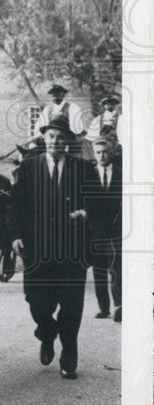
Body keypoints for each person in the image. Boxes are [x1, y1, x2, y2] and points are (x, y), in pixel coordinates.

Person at [7, 114, 100, 380]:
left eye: (60, 137)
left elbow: (98, 205)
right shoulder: (28, 167)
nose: (55, 141)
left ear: (68, 142)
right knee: (37, 302)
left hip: (73, 251)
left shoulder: (82, 168)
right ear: (44, 138)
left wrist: (85, 212)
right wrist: (15, 237)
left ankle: (69, 354)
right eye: (51, 136)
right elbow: (15, 207)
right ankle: (47, 334)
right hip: (37, 251)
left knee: (71, 306)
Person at [88, 136, 122, 322]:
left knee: (116, 267)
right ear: (94, 154)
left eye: (105, 151)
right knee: (99, 269)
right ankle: (104, 307)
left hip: (117, 229)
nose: (102, 155)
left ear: (111, 152)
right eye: (98, 152)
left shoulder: (120, 173)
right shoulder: (89, 174)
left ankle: (119, 305)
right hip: (96, 229)